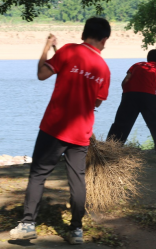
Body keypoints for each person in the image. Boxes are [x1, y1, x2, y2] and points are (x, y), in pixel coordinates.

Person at [10, 17, 111, 244]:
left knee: (39, 173)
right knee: (77, 180)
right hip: (81, 133)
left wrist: (47, 47)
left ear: (84, 33)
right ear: (104, 39)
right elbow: (96, 102)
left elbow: (42, 74)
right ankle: (76, 230)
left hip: (54, 127)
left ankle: (27, 224)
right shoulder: (103, 68)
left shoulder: (68, 51)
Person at [107, 49, 156, 163]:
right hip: (149, 97)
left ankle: (108, 153)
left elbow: (125, 82)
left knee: (120, 124)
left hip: (129, 96)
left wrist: (128, 94)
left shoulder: (136, 65)